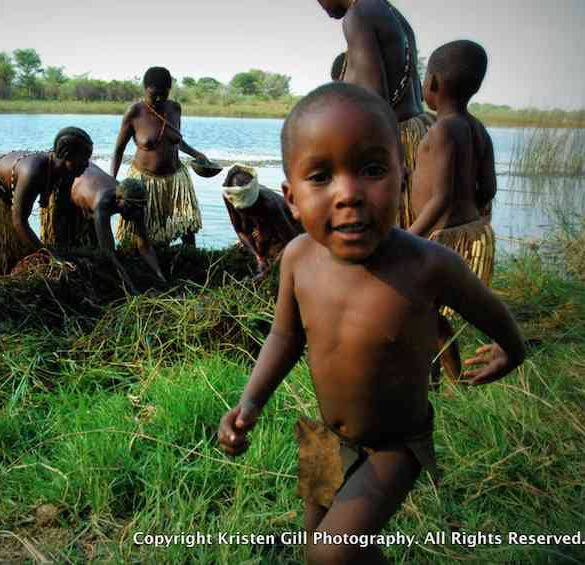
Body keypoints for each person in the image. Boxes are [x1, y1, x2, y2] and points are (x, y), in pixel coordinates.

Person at [218, 83, 525, 564]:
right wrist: (249, 403)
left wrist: (513, 349)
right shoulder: (298, 258)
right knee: (320, 544)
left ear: (402, 178)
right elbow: (285, 335)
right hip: (325, 435)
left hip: (394, 445)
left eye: (372, 170)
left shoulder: (428, 265)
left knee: (331, 555)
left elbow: (490, 311)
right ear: (291, 197)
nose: (349, 195)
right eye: (321, 177)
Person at [409, 40, 497, 380]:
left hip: (440, 239)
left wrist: (408, 237)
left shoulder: (442, 130)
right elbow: (488, 188)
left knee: (427, 315)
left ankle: (447, 380)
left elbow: (441, 198)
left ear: (431, 84)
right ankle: (447, 375)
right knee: (441, 313)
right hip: (472, 234)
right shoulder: (479, 129)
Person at [317, 0, 434, 228]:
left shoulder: (358, 15)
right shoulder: (391, 12)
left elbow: (373, 102)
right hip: (412, 136)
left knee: (386, 247)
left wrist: (380, 165)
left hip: (390, 143)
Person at [0, 127, 93, 278]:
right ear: (66, 155)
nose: (87, 164)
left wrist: (63, 251)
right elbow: (19, 221)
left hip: (7, 195)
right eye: (84, 158)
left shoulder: (67, 173)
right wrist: (49, 257)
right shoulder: (34, 171)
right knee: (0, 260)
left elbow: (61, 214)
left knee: (21, 254)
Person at [111, 66, 213, 247]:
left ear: (169, 91)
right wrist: (112, 181)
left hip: (177, 180)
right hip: (145, 181)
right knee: (146, 232)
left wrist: (196, 153)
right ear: (145, 89)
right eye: (154, 94)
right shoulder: (134, 112)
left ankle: (192, 261)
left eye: (163, 94)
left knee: (187, 227)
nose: (159, 99)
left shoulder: (174, 109)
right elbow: (118, 150)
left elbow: (176, 140)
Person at [60, 162, 167, 290]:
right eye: (131, 207)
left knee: (95, 242)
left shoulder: (135, 203)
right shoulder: (102, 204)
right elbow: (109, 253)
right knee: (71, 244)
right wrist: (131, 290)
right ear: (118, 200)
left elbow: (145, 246)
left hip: (89, 176)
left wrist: (160, 275)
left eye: (139, 208)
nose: (136, 213)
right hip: (68, 183)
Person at [221, 163, 303, 280]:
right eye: (241, 209)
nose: (244, 212)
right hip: (263, 232)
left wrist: (269, 270)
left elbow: (292, 242)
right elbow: (239, 230)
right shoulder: (229, 196)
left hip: (290, 229)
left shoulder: (270, 204)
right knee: (254, 236)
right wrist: (259, 257)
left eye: (248, 209)